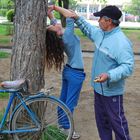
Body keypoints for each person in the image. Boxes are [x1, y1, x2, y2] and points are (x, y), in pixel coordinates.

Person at [49, 5, 134, 140]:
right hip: (97, 88)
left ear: (108, 21)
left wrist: (109, 75)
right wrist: (77, 18)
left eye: (100, 18)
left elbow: (128, 67)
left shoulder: (121, 42)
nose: (98, 20)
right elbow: (87, 28)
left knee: (117, 123)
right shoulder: (101, 34)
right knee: (102, 123)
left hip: (111, 92)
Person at [46, 8, 86, 139]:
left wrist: (49, 13)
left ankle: (62, 126)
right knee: (70, 103)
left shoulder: (62, 36)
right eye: (53, 26)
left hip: (69, 71)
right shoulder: (67, 36)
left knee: (63, 100)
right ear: (57, 33)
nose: (54, 24)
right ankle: (66, 129)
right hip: (75, 74)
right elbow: (70, 15)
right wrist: (55, 7)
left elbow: (54, 21)